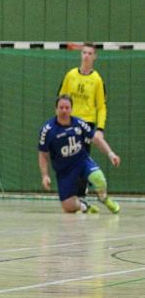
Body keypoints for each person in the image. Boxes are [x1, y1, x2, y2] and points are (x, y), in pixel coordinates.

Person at [38, 95, 120, 214]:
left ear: (71, 109)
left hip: (81, 162)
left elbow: (96, 139)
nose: (64, 111)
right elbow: (43, 154)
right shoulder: (48, 130)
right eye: (61, 107)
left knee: (99, 179)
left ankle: (104, 198)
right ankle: (83, 206)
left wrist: (111, 154)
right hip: (64, 170)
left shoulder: (79, 123)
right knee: (68, 207)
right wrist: (45, 175)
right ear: (56, 109)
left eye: (67, 108)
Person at [57, 43, 108, 201]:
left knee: (80, 158)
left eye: (90, 53)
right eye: (84, 52)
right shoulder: (71, 75)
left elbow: (101, 106)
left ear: (94, 57)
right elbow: (61, 98)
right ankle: (72, 193)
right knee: (67, 158)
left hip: (86, 124)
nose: (86, 56)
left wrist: (100, 129)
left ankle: (81, 196)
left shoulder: (97, 79)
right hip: (69, 123)